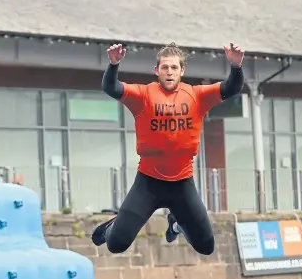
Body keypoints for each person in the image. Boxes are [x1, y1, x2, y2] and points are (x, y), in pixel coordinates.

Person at [92, 42, 244, 255]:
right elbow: (112, 87)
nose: (169, 72)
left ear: (182, 71)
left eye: (174, 67)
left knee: (206, 247)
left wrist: (236, 66)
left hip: (182, 184)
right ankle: (113, 225)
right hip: (148, 183)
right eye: (164, 67)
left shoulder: (197, 96)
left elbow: (231, 88)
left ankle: (175, 223)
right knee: (116, 245)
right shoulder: (143, 95)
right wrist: (114, 64)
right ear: (157, 71)